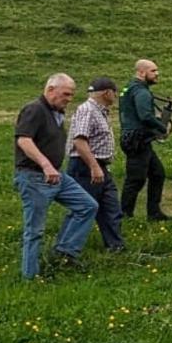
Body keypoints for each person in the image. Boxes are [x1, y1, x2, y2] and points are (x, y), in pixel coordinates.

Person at [13, 73, 99, 279]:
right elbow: (24, 140)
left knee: (88, 206)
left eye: (71, 95)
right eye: (66, 94)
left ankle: (65, 252)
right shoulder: (34, 109)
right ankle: (30, 277)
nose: (69, 99)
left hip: (57, 176)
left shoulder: (55, 112)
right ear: (50, 90)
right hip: (35, 177)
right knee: (35, 231)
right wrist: (45, 165)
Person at [60, 76, 125, 254]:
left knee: (111, 208)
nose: (116, 96)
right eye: (115, 93)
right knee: (82, 208)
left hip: (101, 167)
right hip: (86, 167)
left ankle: (115, 246)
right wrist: (94, 166)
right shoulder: (87, 110)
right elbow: (80, 141)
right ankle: (64, 251)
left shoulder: (100, 111)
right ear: (107, 93)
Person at [119, 58, 171, 221]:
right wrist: (161, 127)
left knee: (157, 174)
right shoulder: (141, 91)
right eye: (153, 71)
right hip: (137, 139)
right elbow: (145, 116)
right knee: (135, 179)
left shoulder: (129, 87)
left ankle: (154, 212)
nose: (157, 74)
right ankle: (124, 215)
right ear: (141, 72)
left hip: (136, 138)